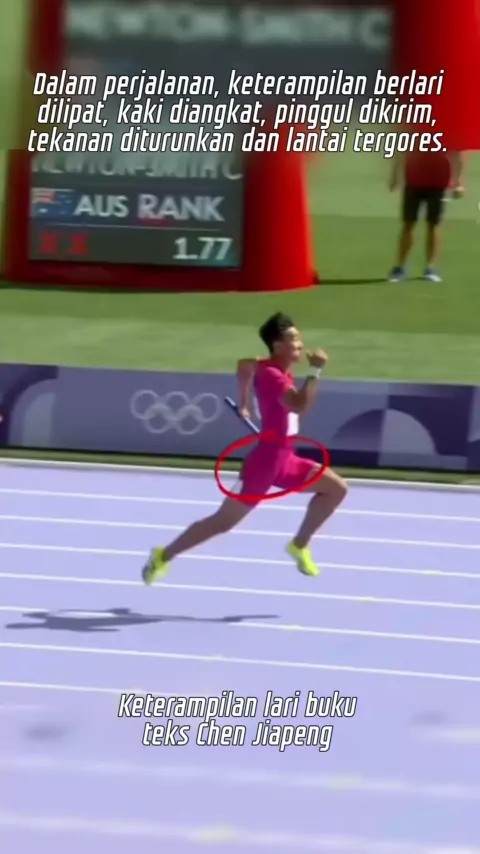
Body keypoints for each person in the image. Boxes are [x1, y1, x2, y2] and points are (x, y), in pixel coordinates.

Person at [142, 313, 348, 584]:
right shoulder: (274, 376)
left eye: (299, 337)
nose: (300, 343)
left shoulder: (267, 367)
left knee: (336, 489)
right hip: (265, 463)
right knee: (222, 522)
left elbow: (243, 366)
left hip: (287, 458)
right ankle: (163, 555)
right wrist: (316, 371)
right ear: (278, 346)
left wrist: (244, 402)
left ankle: (299, 545)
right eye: (293, 339)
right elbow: (299, 405)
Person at [388, 143, 465, 283]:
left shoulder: (449, 132)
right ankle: (400, 267)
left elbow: (458, 153)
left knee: (433, 224)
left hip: (438, 182)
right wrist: (395, 175)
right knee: (409, 224)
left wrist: (459, 182)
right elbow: (401, 149)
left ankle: (431, 268)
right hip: (414, 180)